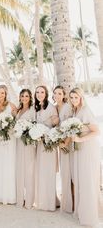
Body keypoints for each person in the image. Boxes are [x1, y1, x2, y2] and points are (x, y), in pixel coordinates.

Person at [69, 87, 100, 226]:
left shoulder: (86, 111)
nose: (74, 100)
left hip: (87, 148)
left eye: (76, 97)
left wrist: (80, 140)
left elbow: (96, 131)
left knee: (87, 179)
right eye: (72, 97)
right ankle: (81, 211)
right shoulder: (74, 111)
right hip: (79, 149)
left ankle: (89, 215)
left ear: (81, 97)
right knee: (80, 179)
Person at [34, 85, 59, 211]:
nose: (39, 94)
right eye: (37, 92)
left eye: (42, 92)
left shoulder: (51, 107)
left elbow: (55, 125)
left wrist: (47, 133)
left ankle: (50, 202)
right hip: (39, 144)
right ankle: (41, 200)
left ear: (46, 93)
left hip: (48, 144)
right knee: (40, 171)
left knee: (48, 171)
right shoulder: (36, 107)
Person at [0, 85, 17, 205]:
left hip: (9, 139)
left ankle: (10, 195)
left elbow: (16, 120)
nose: (0, 95)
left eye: (3, 93)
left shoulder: (11, 106)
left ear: (6, 94)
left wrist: (8, 127)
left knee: (8, 164)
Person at [53, 85, 73, 213]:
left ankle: (72, 201)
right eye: (55, 93)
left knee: (70, 172)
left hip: (68, 143)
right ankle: (66, 201)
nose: (57, 95)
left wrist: (65, 142)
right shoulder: (54, 107)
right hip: (60, 144)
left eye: (59, 93)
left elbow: (71, 126)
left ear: (64, 95)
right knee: (64, 172)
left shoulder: (67, 107)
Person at [16, 89, 36, 209]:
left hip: (28, 143)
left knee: (29, 171)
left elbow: (35, 125)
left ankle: (29, 201)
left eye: (27, 96)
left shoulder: (33, 110)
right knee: (20, 170)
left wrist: (28, 132)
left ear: (30, 97)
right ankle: (19, 199)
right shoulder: (18, 110)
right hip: (19, 142)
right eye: (22, 96)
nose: (24, 98)